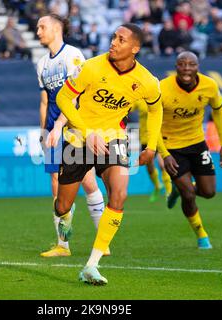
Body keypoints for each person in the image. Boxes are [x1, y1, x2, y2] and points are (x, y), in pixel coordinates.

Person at [53, 23, 163, 285]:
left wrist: (152, 146)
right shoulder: (91, 67)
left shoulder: (146, 81)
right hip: (78, 139)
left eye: (121, 39)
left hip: (114, 138)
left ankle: (91, 265)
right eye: (113, 37)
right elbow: (63, 99)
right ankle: (65, 218)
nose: (113, 42)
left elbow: (157, 109)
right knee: (61, 206)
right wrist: (87, 132)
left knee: (119, 194)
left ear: (135, 48)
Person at [36, 14, 107, 258]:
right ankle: (63, 244)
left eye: (42, 27)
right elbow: (45, 100)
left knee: (88, 182)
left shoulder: (73, 56)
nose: (38, 31)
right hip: (53, 132)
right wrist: (44, 130)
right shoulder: (42, 63)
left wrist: (59, 125)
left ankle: (102, 240)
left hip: (74, 128)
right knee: (56, 183)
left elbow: (78, 97)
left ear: (57, 29)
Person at [160, 51, 222, 250]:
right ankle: (201, 235)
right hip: (172, 147)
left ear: (198, 66)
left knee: (208, 192)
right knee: (189, 193)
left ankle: (177, 192)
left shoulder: (209, 85)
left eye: (191, 64)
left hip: (197, 144)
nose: (187, 69)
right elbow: (153, 124)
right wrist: (164, 154)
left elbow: (219, 110)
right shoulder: (163, 88)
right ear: (176, 66)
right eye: (182, 64)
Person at [132, 99, 172, 202]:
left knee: (163, 164)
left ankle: (169, 192)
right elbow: (127, 108)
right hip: (145, 138)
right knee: (149, 166)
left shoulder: (159, 98)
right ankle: (158, 186)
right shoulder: (139, 101)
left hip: (160, 136)